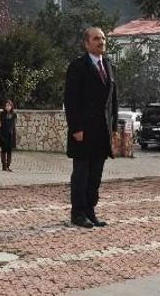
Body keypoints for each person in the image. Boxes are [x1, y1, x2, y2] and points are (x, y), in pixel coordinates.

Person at [64, 27, 118, 229]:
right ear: (86, 43)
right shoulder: (78, 66)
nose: (101, 41)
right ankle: (78, 213)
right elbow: (71, 100)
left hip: (102, 131)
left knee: (96, 174)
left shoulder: (109, 66)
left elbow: (113, 99)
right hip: (83, 131)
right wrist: (76, 128)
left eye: (103, 38)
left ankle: (90, 211)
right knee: (82, 174)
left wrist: (114, 127)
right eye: (96, 38)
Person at [0, 99, 17, 172]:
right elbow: (0, 125)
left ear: (11, 106)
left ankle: (8, 166)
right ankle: (4, 166)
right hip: (3, 134)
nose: (7, 107)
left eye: (9, 105)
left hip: (10, 135)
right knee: (3, 150)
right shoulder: (2, 114)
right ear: (4, 106)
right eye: (6, 105)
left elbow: (13, 125)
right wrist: (0, 134)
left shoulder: (14, 115)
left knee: (9, 151)